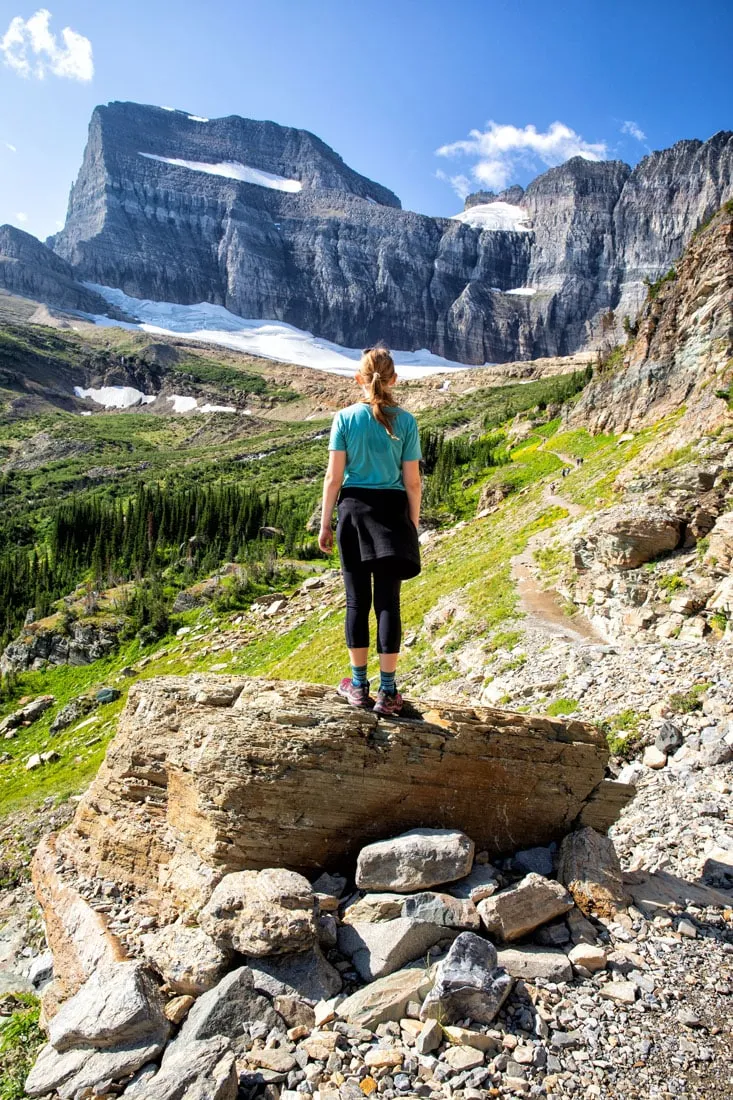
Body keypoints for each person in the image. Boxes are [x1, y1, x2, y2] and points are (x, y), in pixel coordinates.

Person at [318, 346, 422, 716]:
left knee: (356, 602)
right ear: (394, 380)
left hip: (352, 514)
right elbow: (413, 482)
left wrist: (325, 522)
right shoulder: (406, 421)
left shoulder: (344, 418)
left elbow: (333, 478)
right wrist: (413, 522)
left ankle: (358, 686)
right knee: (388, 603)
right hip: (393, 514)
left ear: (358, 379)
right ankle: (388, 691)